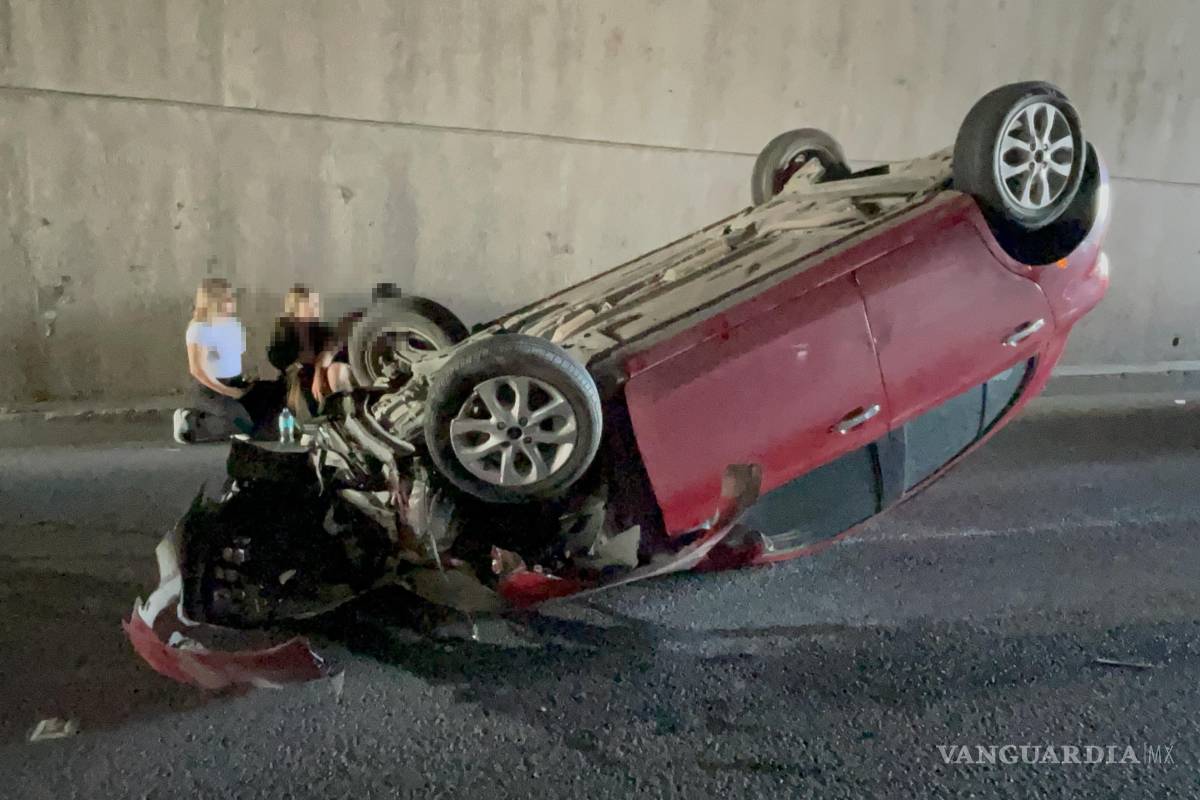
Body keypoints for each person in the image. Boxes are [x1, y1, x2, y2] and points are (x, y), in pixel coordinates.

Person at [173, 278, 257, 443]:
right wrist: (227, 391)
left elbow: (237, 356)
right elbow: (197, 370)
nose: (232, 301)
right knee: (243, 424)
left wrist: (247, 378)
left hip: (234, 381)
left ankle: (230, 420)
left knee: (262, 418)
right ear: (213, 301)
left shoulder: (235, 324)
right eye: (227, 298)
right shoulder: (199, 328)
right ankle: (190, 420)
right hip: (209, 388)